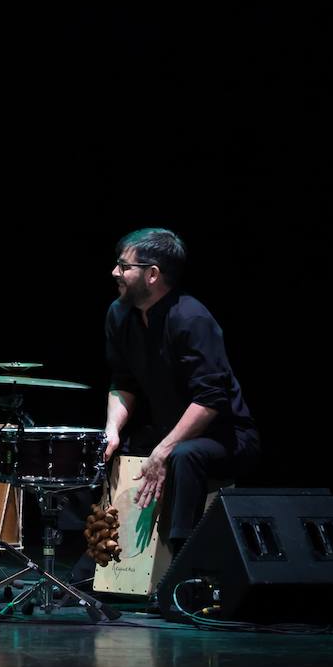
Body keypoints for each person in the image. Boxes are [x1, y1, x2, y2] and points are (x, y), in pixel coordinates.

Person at [103, 228, 259, 554]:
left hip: (226, 437)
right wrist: (112, 431)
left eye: (124, 266)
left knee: (184, 455)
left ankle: (182, 562)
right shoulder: (119, 314)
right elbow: (123, 383)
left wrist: (164, 449)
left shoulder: (191, 318)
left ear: (152, 274)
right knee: (104, 451)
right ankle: (98, 563)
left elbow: (210, 398)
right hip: (166, 430)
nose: (114, 272)